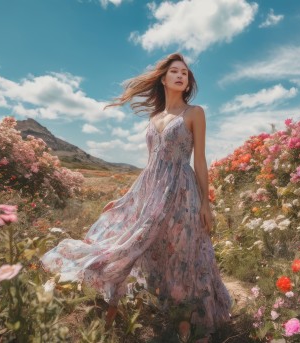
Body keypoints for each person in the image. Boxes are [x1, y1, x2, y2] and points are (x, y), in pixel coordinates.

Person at [40, 52, 232, 342]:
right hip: (152, 195)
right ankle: (117, 310)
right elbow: (151, 168)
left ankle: (188, 319)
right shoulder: (154, 118)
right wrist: (123, 200)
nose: (182, 75)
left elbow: (200, 160)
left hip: (182, 193)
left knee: (184, 252)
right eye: (175, 72)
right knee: (138, 246)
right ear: (164, 79)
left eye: (186, 73)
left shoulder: (195, 113)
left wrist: (206, 202)